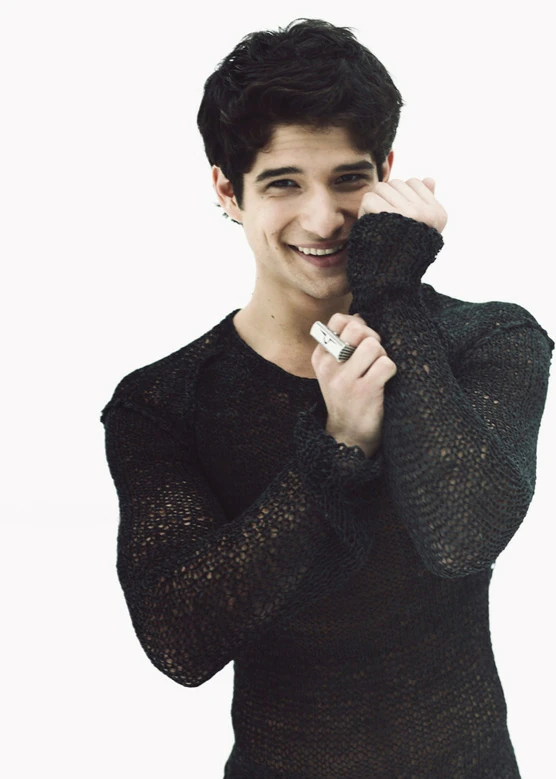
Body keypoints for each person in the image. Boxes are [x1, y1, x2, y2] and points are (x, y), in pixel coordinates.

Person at [100, 18, 554, 778]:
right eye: (284, 182)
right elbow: (181, 640)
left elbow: (464, 535)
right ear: (228, 190)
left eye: (348, 179)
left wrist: (391, 289)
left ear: (387, 172)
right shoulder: (164, 403)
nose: (323, 218)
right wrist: (336, 450)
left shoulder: (491, 340)